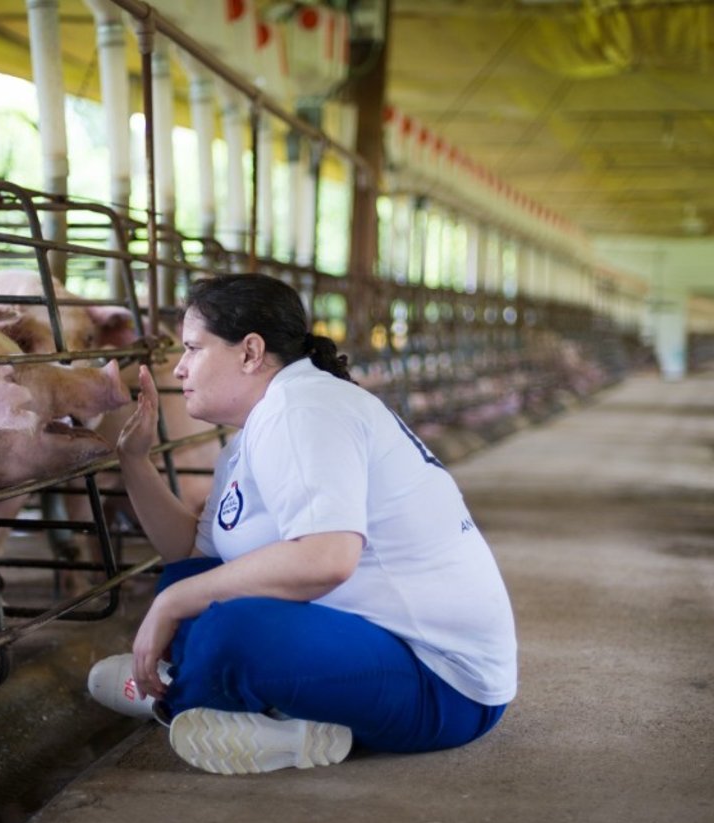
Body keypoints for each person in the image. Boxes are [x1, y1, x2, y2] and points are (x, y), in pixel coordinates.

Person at [86, 273, 517, 775]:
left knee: (229, 629)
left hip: (444, 686)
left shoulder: (303, 407)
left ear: (250, 352)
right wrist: (135, 463)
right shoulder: (254, 433)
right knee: (189, 584)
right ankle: (270, 717)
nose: (179, 369)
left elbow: (327, 558)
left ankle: (180, 698)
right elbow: (192, 557)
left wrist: (171, 604)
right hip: (369, 645)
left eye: (193, 349)